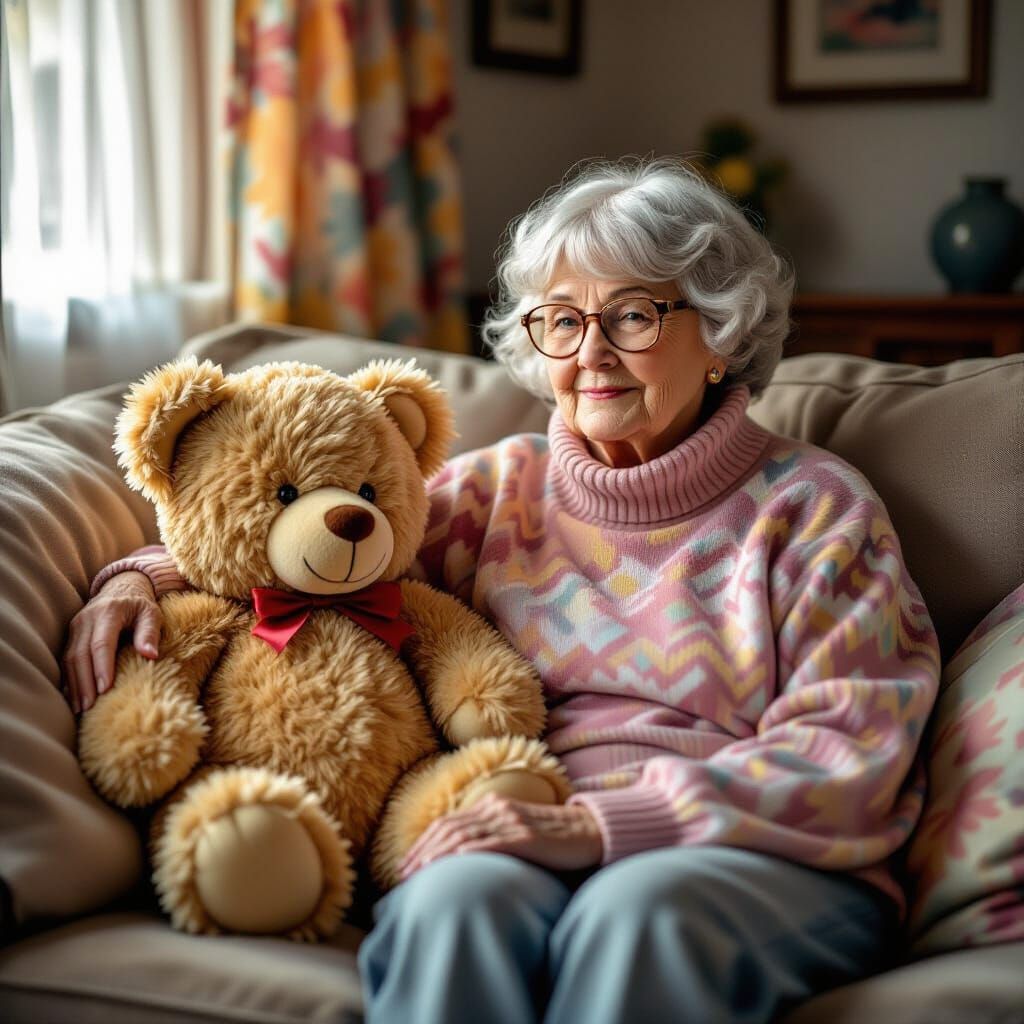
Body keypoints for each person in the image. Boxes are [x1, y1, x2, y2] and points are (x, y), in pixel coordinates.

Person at [64, 157, 940, 1024]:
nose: (590, 352)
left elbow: (849, 750)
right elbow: (312, 551)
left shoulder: (814, 511)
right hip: (523, 821)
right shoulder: (498, 491)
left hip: (762, 853)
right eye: (560, 320)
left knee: (635, 917)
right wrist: (139, 579)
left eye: (632, 316)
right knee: (451, 906)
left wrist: (608, 826)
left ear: (721, 334)